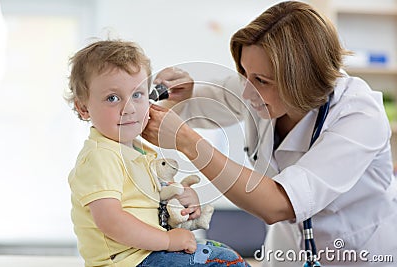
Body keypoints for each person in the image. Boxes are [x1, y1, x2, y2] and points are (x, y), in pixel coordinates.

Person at [142, 1, 397, 266]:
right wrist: (184, 91)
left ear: (302, 79)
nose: (246, 92)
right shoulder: (256, 87)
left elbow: (278, 204)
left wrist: (187, 142)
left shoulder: (359, 115)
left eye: (261, 81)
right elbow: (199, 102)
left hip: (357, 254)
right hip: (286, 252)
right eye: (244, 73)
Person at [65, 39, 250, 267]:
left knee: (225, 255)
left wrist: (182, 198)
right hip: (129, 261)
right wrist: (166, 240)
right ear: (83, 108)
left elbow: (156, 204)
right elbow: (111, 221)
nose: (129, 108)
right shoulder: (101, 156)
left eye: (137, 95)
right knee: (222, 262)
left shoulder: (143, 152)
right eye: (112, 98)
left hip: (149, 254)